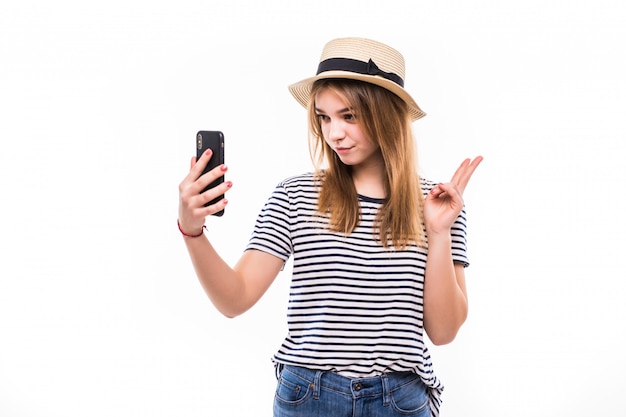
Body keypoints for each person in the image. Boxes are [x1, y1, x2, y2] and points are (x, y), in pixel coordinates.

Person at [178, 37, 482, 417]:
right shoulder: (296, 195)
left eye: (349, 116)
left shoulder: (438, 203)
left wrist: (438, 233)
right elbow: (235, 298)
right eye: (324, 117)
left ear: (386, 114)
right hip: (310, 396)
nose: (333, 132)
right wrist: (192, 231)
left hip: (400, 400)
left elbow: (444, 332)